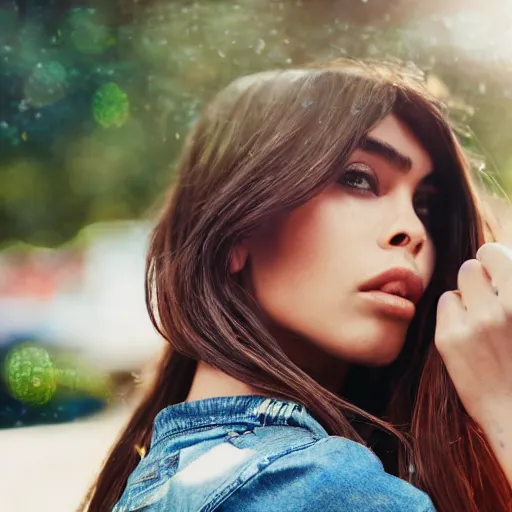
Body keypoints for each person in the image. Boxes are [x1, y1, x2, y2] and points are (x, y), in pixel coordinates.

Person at [83, 60, 512, 511]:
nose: (413, 230)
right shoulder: (310, 484)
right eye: (358, 179)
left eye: (424, 204)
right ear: (235, 229)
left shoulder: (163, 480)